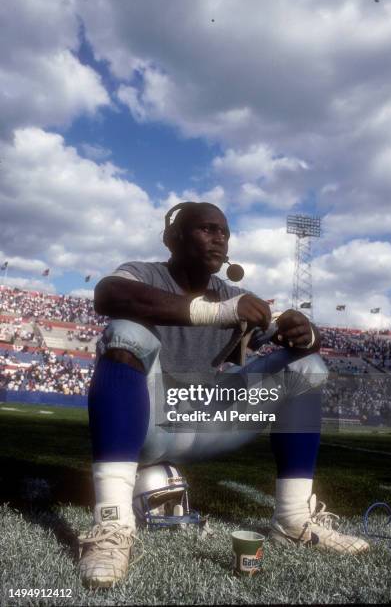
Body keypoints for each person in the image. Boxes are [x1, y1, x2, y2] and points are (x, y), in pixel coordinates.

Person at [78, 202, 369, 588]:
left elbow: (286, 331)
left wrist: (306, 333)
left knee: (307, 369)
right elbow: (107, 294)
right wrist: (214, 313)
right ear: (173, 238)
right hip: (149, 425)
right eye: (206, 229)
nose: (218, 238)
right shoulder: (144, 274)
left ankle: (294, 519)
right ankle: (112, 525)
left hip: (202, 424)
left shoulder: (235, 295)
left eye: (224, 232)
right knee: (128, 332)